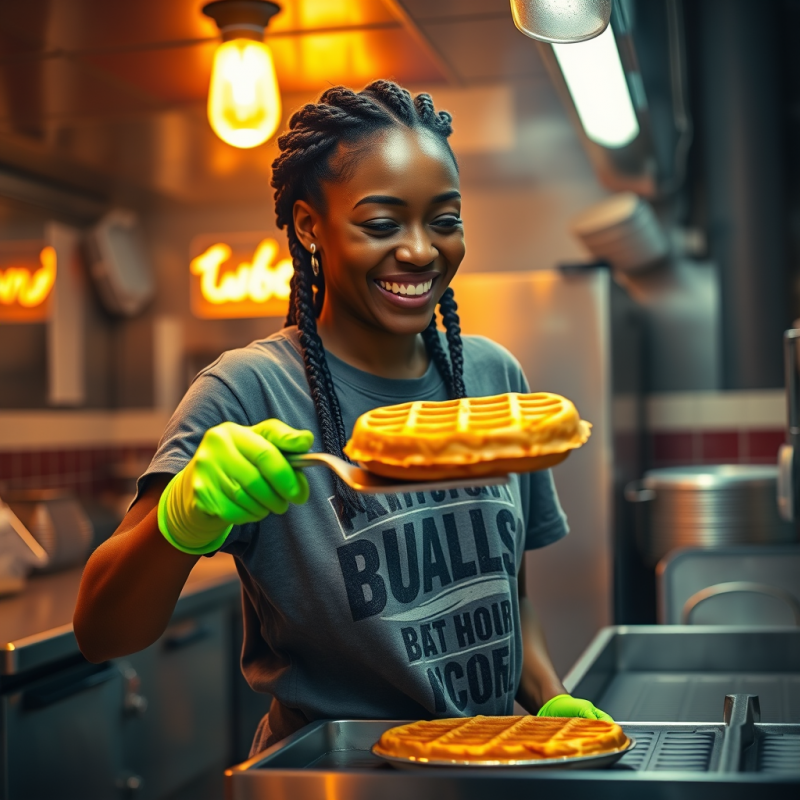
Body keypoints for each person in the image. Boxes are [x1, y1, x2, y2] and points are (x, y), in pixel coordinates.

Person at [74, 80, 611, 754]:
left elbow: (506, 599)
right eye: (382, 224)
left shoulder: (492, 381)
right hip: (331, 774)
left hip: (486, 761)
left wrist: (547, 694)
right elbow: (101, 632)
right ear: (308, 227)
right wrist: (179, 522)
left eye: (443, 220)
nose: (420, 250)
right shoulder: (248, 392)